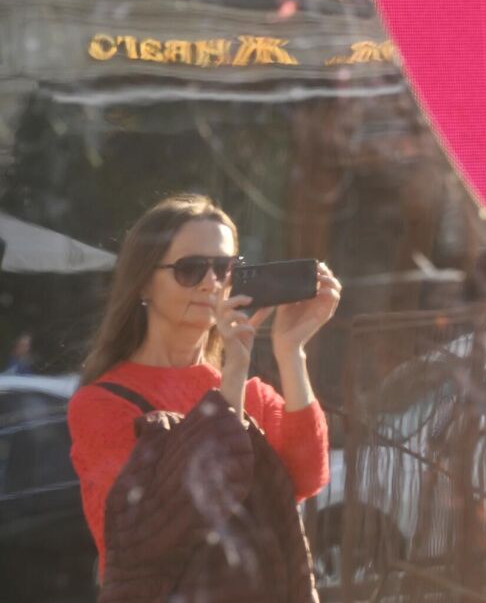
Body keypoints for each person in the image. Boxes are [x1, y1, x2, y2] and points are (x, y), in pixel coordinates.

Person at [66, 194, 341, 602]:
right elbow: (146, 530)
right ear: (143, 281)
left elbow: (306, 476)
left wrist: (290, 352)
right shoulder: (100, 404)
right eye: (190, 269)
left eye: (225, 268)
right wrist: (232, 375)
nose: (211, 283)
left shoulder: (247, 390)